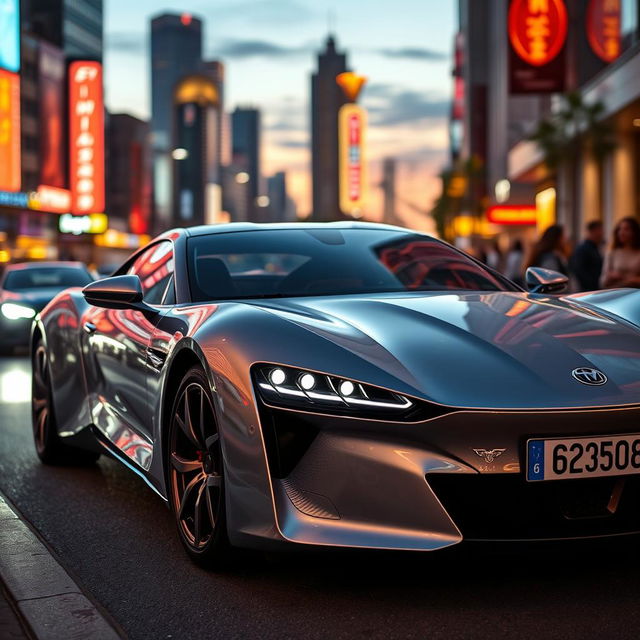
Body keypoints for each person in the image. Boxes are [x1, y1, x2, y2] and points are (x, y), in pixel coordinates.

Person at [601, 217, 640, 288]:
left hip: (635, 295)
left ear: (635, 232)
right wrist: (610, 276)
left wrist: (627, 279)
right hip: (615, 294)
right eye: (620, 229)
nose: (621, 232)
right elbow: (602, 281)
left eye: (626, 229)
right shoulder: (612, 253)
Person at [570, 220, 604, 291]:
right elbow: (579, 270)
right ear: (592, 231)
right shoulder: (583, 249)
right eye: (600, 231)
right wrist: (591, 285)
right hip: (588, 290)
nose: (602, 234)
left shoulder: (595, 248)